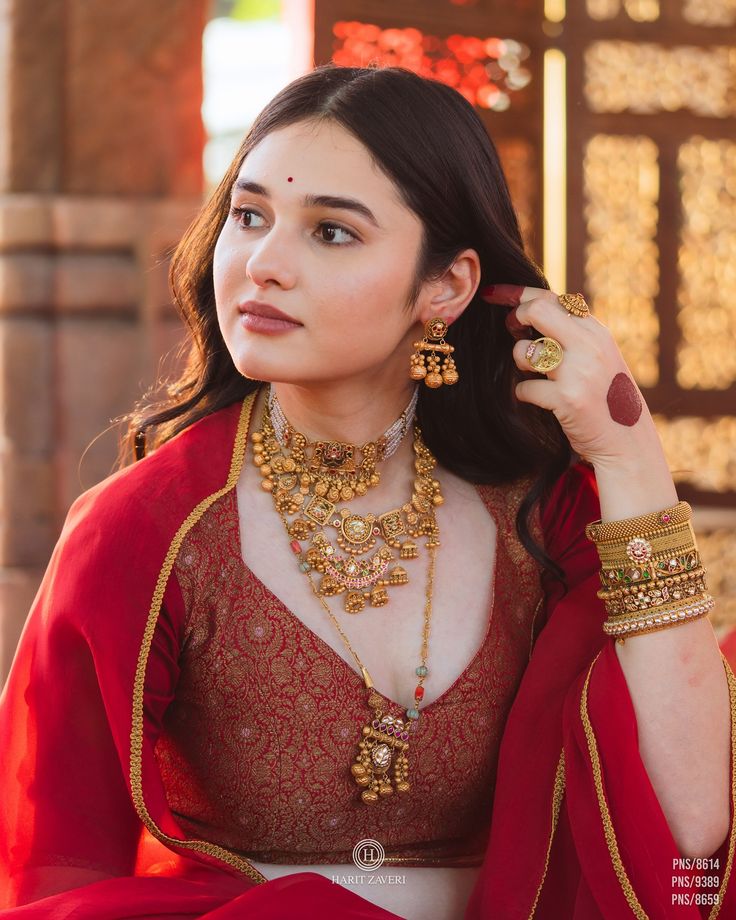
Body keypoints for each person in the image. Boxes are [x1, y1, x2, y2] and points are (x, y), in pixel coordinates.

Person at [0, 65, 734, 920]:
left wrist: (628, 451)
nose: (263, 265)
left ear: (446, 287)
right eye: (249, 216)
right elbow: (55, 874)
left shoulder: (545, 516)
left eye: (332, 233)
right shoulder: (146, 532)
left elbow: (692, 841)